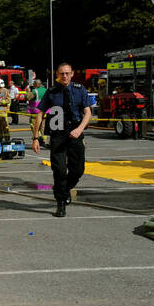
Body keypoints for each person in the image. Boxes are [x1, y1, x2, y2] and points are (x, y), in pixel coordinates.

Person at [32, 62, 91, 217]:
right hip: (58, 135)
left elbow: (88, 112)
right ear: (57, 75)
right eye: (61, 74)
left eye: (67, 73)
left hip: (75, 134)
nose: (64, 76)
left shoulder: (80, 90)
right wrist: (35, 137)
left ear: (72, 74)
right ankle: (61, 202)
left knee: (78, 169)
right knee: (58, 171)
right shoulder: (51, 92)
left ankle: (63, 189)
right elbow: (40, 114)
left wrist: (79, 129)